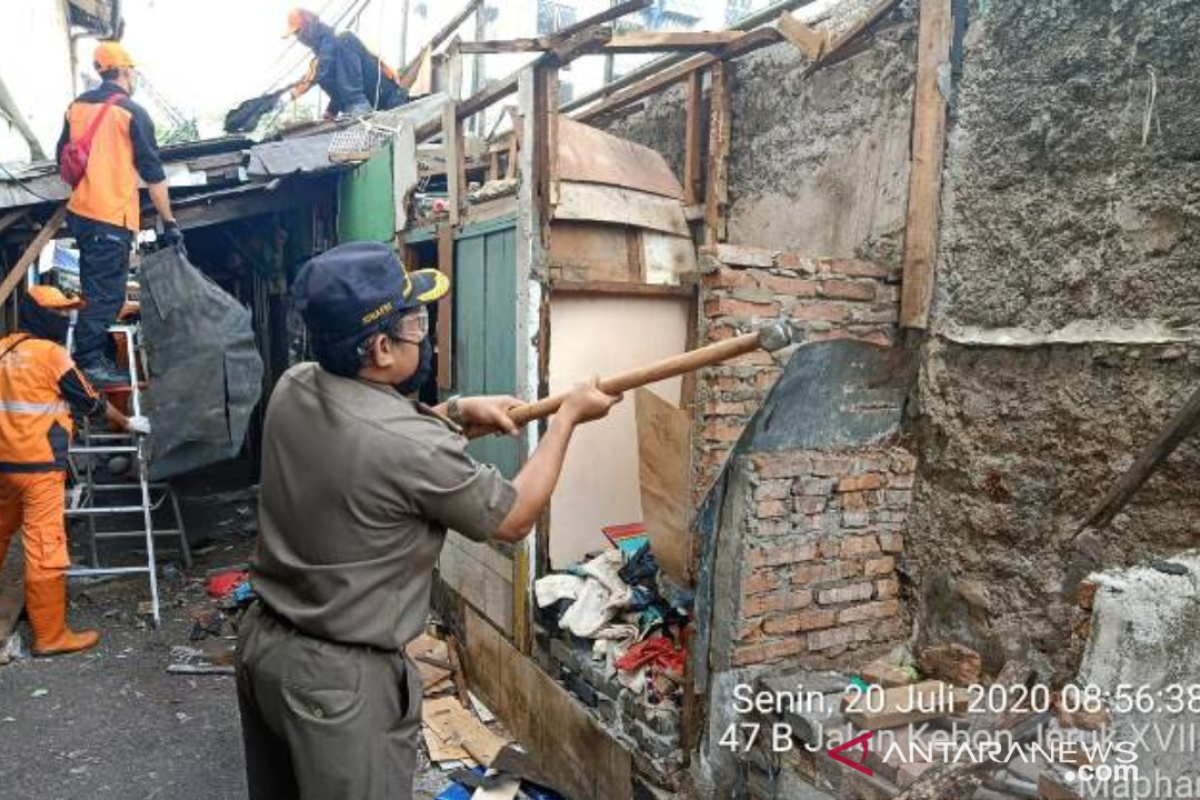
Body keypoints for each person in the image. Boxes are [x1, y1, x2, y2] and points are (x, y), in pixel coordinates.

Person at [235, 242, 620, 800]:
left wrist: (459, 413)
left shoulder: (296, 385)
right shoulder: (407, 445)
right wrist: (566, 421)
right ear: (381, 347)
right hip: (337, 683)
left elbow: (375, 445)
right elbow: (512, 519)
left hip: (265, 648)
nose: (426, 333)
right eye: (415, 322)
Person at [0, 286, 149, 656]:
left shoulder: (2, 349)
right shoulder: (51, 355)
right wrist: (129, 423)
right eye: (60, 313)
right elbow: (90, 403)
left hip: (4, 465)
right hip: (39, 467)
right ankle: (50, 636)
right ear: (42, 317)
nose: (65, 320)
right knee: (45, 548)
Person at [55, 41, 183, 388]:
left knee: (96, 288)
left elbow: (62, 161)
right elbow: (153, 174)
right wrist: (169, 223)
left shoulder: (76, 108)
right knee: (106, 294)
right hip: (109, 215)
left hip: (81, 214)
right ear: (126, 71)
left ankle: (94, 354)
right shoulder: (131, 112)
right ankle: (89, 362)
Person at [284, 8, 409, 119]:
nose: (298, 38)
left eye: (298, 32)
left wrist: (296, 91)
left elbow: (350, 84)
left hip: (390, 102)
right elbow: (341, 84)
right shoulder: (325, 53)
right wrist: (331, 111)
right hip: (377, 108)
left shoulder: (341, 39)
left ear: (309, 25)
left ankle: (359, 109)